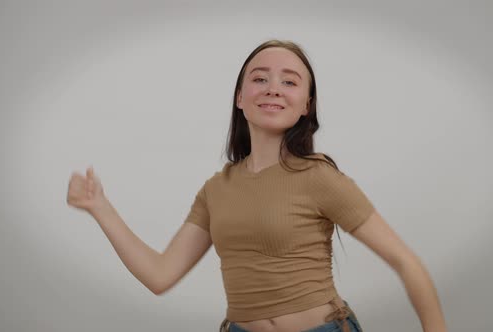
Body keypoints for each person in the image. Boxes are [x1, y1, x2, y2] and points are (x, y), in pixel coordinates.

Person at [67, 39, 447, 332]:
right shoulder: (216, 190)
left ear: (306, 106)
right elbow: (160, 275)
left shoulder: (320, 178)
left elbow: (405, 261)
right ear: (239, 98)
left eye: (289, 81)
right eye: (260, 78)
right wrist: (101, 208)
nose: (273, 87)